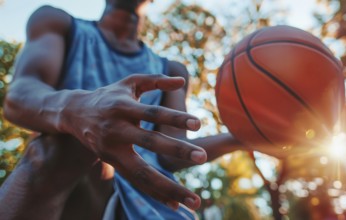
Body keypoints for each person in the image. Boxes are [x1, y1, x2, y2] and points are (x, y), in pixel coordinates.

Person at [0, 0, 243, 219]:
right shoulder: (59, 24)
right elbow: (19, 95)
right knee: (69, 146)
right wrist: (74, 111)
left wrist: (245, 137)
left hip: (150, 201)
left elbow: (172, 150)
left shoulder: (171, 71)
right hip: (69, 189)